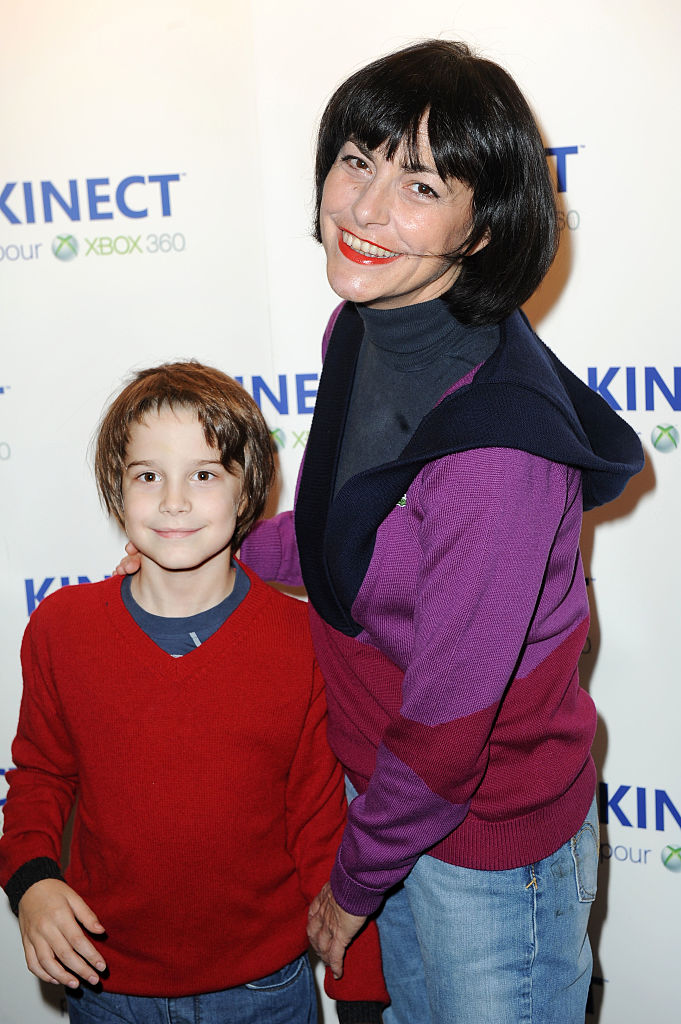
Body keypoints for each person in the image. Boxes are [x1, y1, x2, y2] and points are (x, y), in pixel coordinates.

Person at [118, 40, 644, 1023]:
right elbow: (346, 532)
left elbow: (448, 734)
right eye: (357, 160)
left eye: (418, 183)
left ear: (482, 228)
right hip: (393, 806)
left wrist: (350, 887)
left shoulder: (498, 454)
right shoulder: (361, 324)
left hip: (488, 847)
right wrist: (220, 550)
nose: (363, 209)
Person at [0, 362, 388, 1024]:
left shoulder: (301, 642)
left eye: (204, 475)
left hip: (263, 991)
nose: (173, 500)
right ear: (117, 493)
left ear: (247, 494)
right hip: (105, 987)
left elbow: (322, 824)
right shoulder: (61, 629)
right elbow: (39, 776)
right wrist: (32, 884)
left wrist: (358, 993)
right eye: (147, 476)